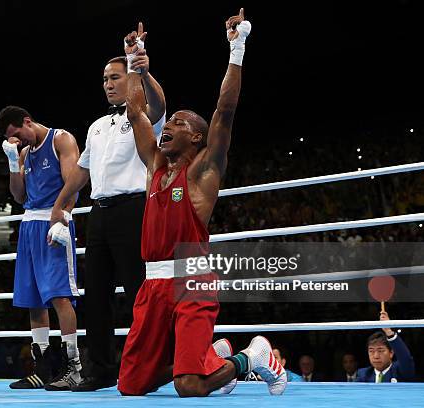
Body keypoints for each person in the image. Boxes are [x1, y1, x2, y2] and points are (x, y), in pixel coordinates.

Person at [117, 11, 287, 397]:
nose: (168, 126)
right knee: (130, 385)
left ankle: (252, 356)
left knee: (189, 386)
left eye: (176, 122)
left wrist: (237, 47)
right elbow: (135, 112)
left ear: (196, 137)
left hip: (192, 279)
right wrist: (133, 61)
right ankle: (211, 356)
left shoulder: (203, 172)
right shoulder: (154, 170)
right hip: (153, 284)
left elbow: (224, 111)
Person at [50, 27, 166, 391]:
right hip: (99, 214)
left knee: (137, 294)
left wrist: (140, 69)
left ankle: (151, 366)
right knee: (96, 296)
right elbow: (82, 170)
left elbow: (159, 105)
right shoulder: (97, 126)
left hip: (133, 211)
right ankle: (100, 370)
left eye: (115, 77)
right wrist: (60, 203)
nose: (108, 84)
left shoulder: (144, 119)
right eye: (104, 79)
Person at [0, 106, 83, 391]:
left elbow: (73, 183)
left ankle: (74, 367)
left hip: (54, 221)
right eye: (11, 140)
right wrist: (12, 162)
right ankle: (44, 368)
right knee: (33, 299)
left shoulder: (61, 140)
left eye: (17, 134)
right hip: (29, 225)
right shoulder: (23, 153)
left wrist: (64, 217)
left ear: (27, 121)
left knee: (60, 295)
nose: (17, 141)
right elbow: (20, 195)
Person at [356, 311, 415, 382]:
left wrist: (388, 331)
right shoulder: (364, 374)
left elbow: (406, 359)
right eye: (371, 351)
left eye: (380, 350)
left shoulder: (399, 370)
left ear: (391, 353)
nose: (376, 356)